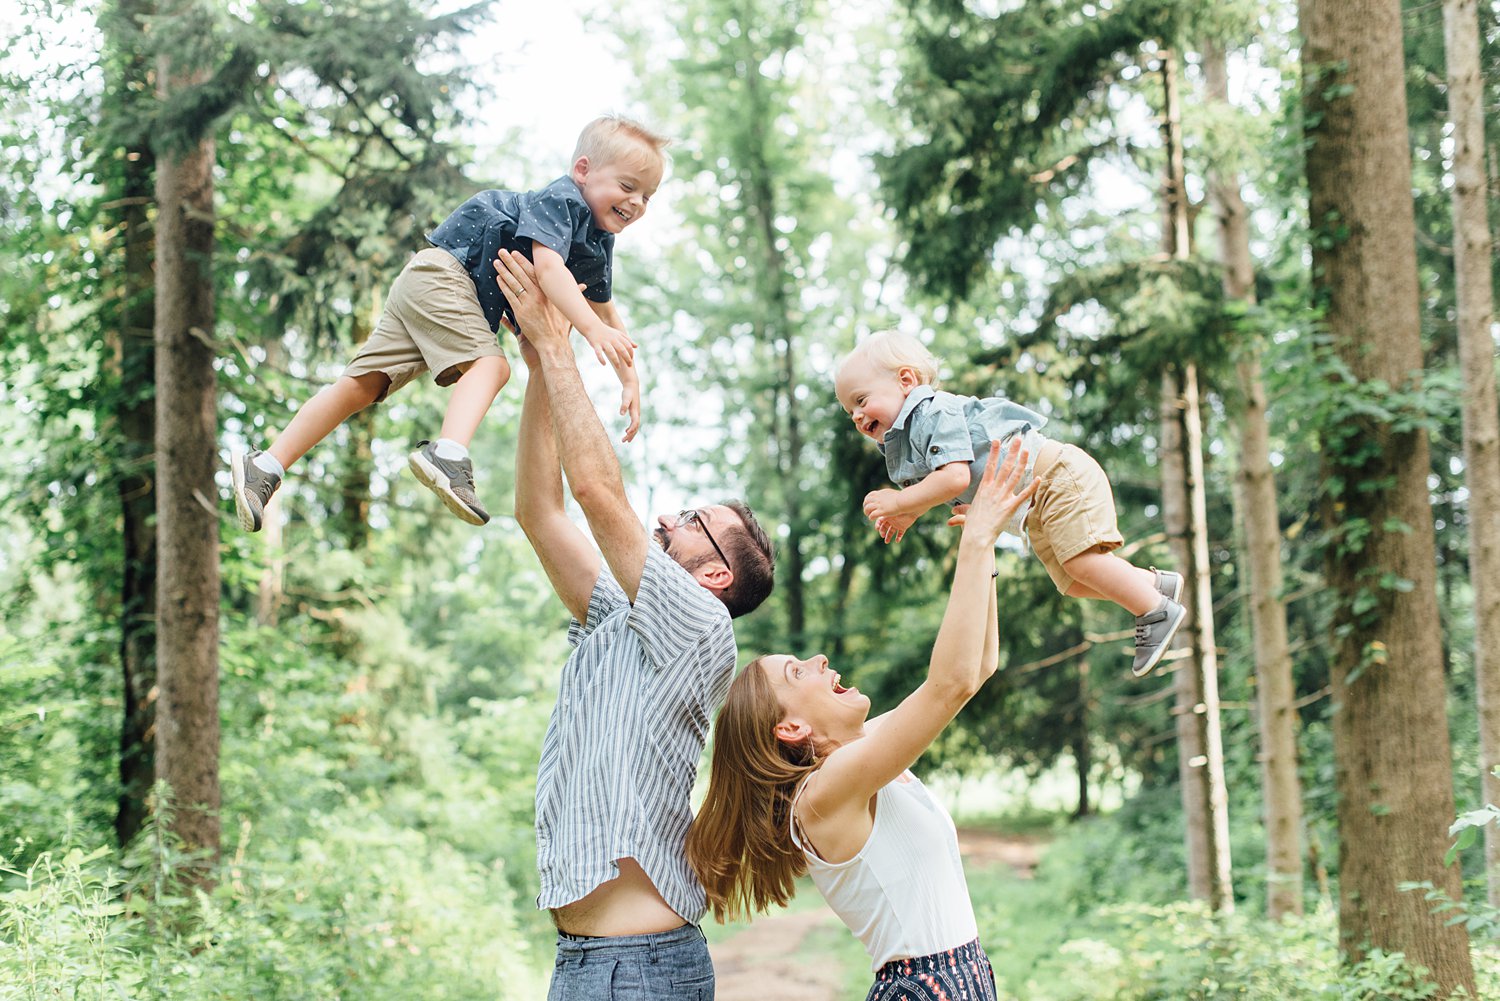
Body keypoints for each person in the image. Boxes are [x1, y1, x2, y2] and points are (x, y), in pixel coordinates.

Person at [493, 247, 775, 1000]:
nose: (664, 517)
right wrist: (536, 360)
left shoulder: (702, 627)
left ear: (716, 575)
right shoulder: (622, 614)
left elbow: (593, 488)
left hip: (635, 968)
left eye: (690, 520)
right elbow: (539, 511)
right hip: (596, 965)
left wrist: (561, 345)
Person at [687, 438, 1033, 1001]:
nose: (820, 660)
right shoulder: (822, 796)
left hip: (960, 977)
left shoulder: (861, 755)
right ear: (790, 729)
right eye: (799, 673)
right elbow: (950, 684)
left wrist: (986, 539)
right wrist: (976, 538)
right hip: (926, 987)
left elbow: (979, 667)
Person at [231, 115, 664, 532]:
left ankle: (266, 465)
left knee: (360, 385)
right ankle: (448, 456)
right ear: (583, 170)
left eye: (647, 196)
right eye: (628, 187)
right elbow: (551, 272)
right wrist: (592, 331)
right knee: (492, 367)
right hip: (446, 276)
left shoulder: (598, 240)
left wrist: (630, 378)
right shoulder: (564, 200)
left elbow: (607, 310)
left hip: (426, 285)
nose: (636, 203)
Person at [834, 330, 1185, 677]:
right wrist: (910, 511)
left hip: (1053, 477)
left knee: (1081, 565)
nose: (856, 416)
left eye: (861, 400)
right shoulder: (910, 438)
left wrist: (898, 502)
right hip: (1034, 508)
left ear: (906, 380)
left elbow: (955, 478)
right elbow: (943, 482)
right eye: (850, 410)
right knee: (1073, 583)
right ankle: (1155, 586)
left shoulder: (932, 412)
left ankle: (1154, 610)